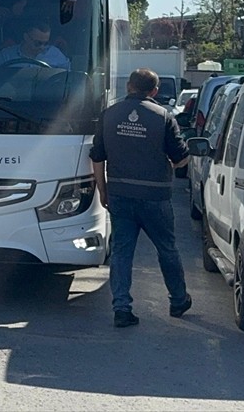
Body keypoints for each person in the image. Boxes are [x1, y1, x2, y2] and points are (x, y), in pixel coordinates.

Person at [90, 68, 192, 327]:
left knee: (122, 252)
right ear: (154, 91)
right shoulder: (163, 117)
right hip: (155, 195)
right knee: (167, 248)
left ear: (128, 86)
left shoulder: (109, 114)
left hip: (120, 194)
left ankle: (121, 307)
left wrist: (103, 191)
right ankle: (178, 299)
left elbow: (97, 157)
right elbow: (181, 158)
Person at [0, 19, 71, 69]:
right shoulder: (6, 56)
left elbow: (68, 78)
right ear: (26, 37)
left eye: (46, 43)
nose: (42, 47)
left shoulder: (55, 53)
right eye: (38, 43)